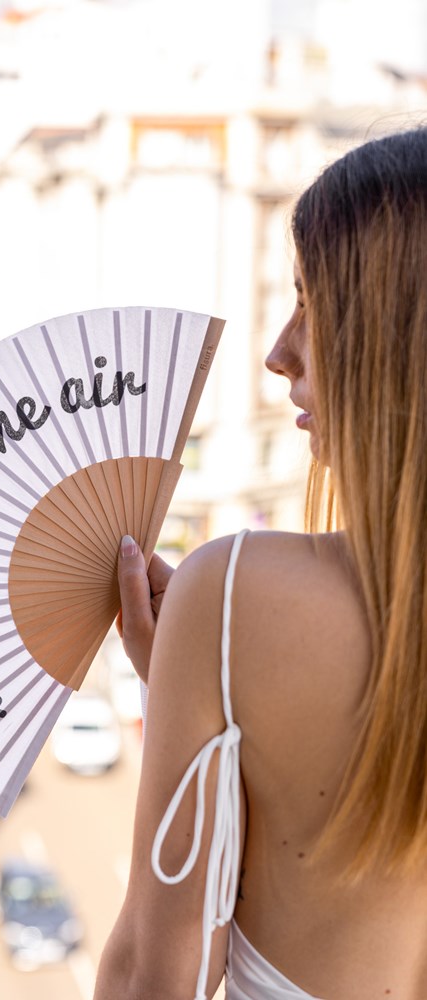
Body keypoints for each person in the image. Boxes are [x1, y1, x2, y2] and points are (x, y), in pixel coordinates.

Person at [93, 126, 427, 1000]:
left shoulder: (233, 594)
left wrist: (197, 675)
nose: (279, 352)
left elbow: (157, 978)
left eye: (315, 306)